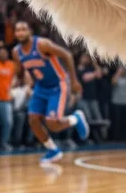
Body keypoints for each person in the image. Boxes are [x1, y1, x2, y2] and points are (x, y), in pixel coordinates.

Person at [12, 20, 87, 165]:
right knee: (33, 120)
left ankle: (75, 118)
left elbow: (67, 55)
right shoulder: (16, 52)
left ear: (29, 32)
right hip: (40, 86)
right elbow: (20, 71)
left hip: (58, 85)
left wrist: (74, 80)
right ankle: (53, 150)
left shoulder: (42, 44)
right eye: (17, 30)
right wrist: (18, 80)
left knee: (52, 123)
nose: (20, 32)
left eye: (23, 29)